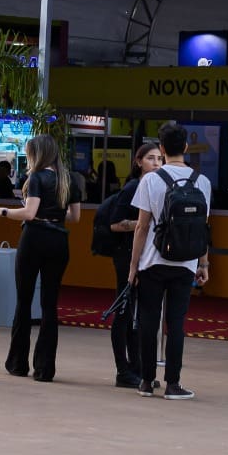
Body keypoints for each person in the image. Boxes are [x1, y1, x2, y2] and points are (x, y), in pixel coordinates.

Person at [0, 134, 82, 382]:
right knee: (50, 304)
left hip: (34, 238)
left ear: (37, 154)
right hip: (59, 240)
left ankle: (18, 362)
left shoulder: (37, 178)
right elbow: (75, 217)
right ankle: (45, 368)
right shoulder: (69, 179)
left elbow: (29, 213)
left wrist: (3, 211)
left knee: (24, 300)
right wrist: (55, 213)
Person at [129, 123, 212, 401]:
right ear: (185, 147)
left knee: (148, 322)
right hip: (185, 263)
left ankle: (146, 381)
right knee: (176, 324)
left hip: (152, 262)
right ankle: (173, 384)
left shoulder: (150, 180)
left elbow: (141, 227)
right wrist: (203, 264)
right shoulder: (202, 181)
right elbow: (202, 228)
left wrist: (133, 267)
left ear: (162, 148)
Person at [103, 141, 161, 388]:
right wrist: (142, 224)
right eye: (150, 158)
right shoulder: (133, 187)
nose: (156, 163)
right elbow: (115, 223)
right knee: (124, 311)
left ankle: (136, 367)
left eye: (159, 159)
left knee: (137, 314)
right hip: (127, 255)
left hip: (145, 255)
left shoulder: (157, 186)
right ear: (138, 162)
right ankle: (123, 369)